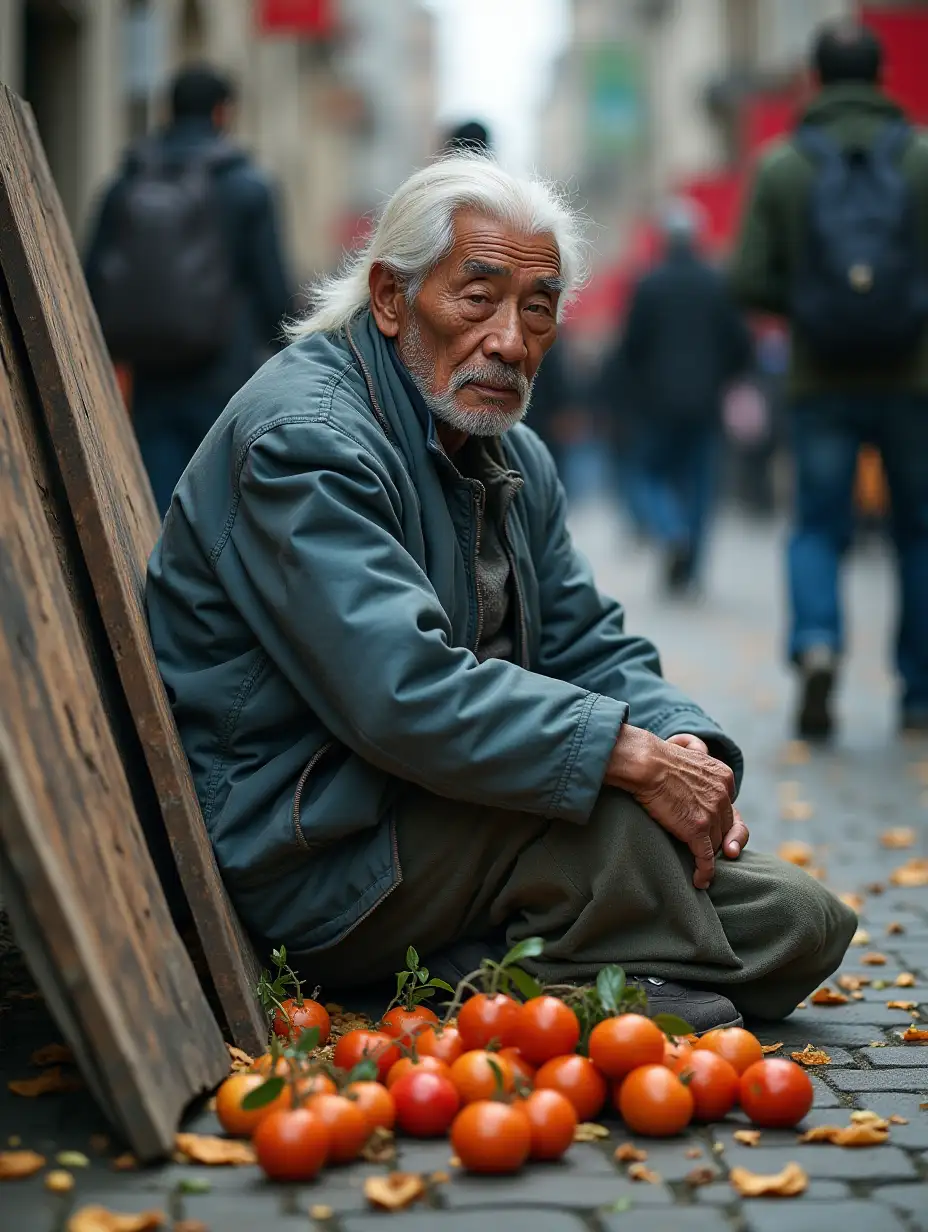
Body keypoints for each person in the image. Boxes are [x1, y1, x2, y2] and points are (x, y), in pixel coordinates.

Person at [146, 156, 856, 1030]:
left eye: (538, 309)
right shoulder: (309, 441)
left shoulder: (513, 453)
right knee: (629, 837)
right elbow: (403, 692)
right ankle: (534, 973)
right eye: (476, 298)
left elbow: (588, 641)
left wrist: (685, 746)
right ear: (391, 299)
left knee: (800, 921)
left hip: (455, 807)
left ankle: (514, 967)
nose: (511, 341)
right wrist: (627, 759)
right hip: (315, 847)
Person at [731, 21, 928, 737]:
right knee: (918, 532)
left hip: (821, 380)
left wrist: (812, 308)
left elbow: (747, 276)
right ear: (881, 77)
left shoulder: (783, 165)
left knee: (817, 525)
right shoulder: (919, 158)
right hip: (914, 379)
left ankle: (817, 644)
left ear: (812, 79)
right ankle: (919, 692)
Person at [85, 64, 292, 515]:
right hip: (224, 371)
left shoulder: (126, 183)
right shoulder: (248, 186)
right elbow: (274, 291)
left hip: (150, 370)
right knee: (217, 504)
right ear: (223, 112)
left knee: (157, 498)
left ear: (168, 110)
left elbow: (93, 274)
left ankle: (153, 579)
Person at [622, 200, 754, 592]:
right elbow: (740, 344)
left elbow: (632, 346)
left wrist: (639, 387)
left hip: (658, 402)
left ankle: (668, 528)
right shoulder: (717, 283)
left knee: (648, 473)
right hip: (705, 401)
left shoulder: (649, 283)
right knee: (700, 484)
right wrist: (721, 378)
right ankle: (691, 567)